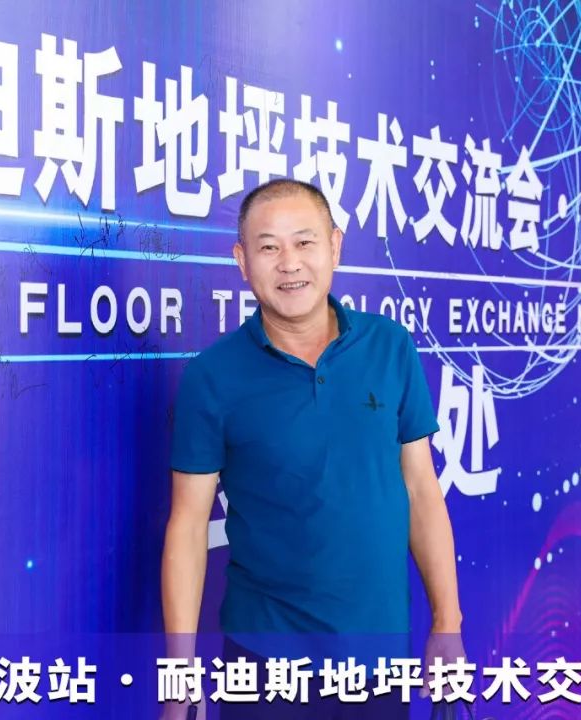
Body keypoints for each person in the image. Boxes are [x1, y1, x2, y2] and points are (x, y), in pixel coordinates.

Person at [161, 179, 464, 719]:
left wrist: (448, 621)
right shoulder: (212, 376)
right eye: (268, 247)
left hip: (379, 659)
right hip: (263, 662)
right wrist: (179, 676)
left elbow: (420, 489)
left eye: (304, 242)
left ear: (335, 246)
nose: (289, 263)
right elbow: (187, 524)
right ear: (242, 261)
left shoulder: (390, 346)